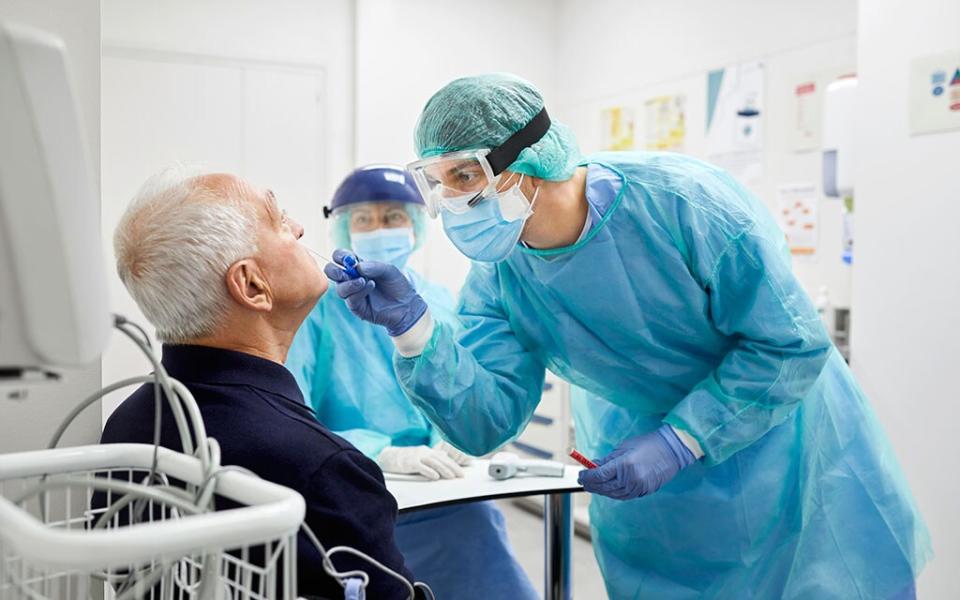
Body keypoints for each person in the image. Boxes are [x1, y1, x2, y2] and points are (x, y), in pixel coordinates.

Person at [324, 74, 932, 599]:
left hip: (788, 458)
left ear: (531, 159)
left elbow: (789, 345)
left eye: (465, 175)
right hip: (651, 491)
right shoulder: (500, 271)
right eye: (437, 182)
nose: (453, 202)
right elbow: (487, 420)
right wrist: (415, 333)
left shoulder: (687, 206)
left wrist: (681, 439)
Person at [102, 167, 427, 599]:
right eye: (279, 220)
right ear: (252, 285)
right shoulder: (324, 469)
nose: (299, 227)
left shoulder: (126, 427)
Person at [286, 164, 538, 600]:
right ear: (342, 226)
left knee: (481, 541)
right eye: (364, 219)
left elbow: (460, 387)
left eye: (393, 217)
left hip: (441, 486)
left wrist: (455, 437)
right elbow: (292, 416)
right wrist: (379, 452)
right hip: (353, 487)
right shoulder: (318, 309)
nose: (380, 228)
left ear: (418, 225)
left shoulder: (438, 300)